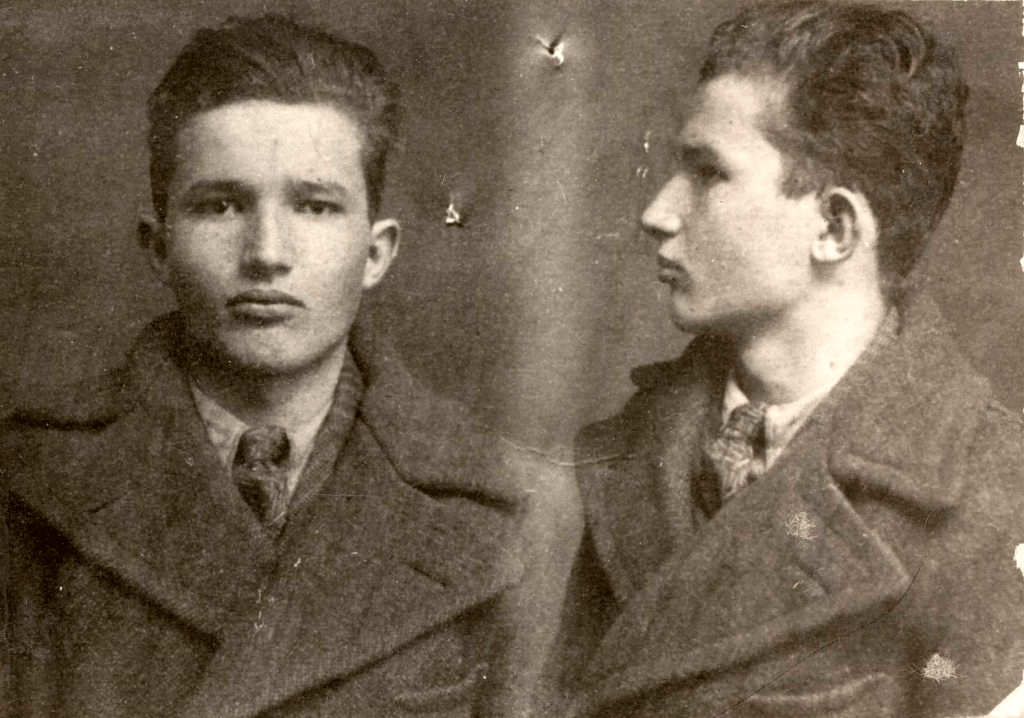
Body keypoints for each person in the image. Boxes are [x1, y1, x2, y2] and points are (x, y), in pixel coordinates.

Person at [0, 15, 579, 717]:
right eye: (220, 206)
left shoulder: (512, 507)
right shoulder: (27, 483)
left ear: (375, 252)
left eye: (315, 206)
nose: (267, 254)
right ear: (159, 247)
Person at [564, 2, 1024, 717]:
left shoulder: (997, 505)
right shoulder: (622, 453)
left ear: (835, 228)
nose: (657, 212)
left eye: (708, 173)